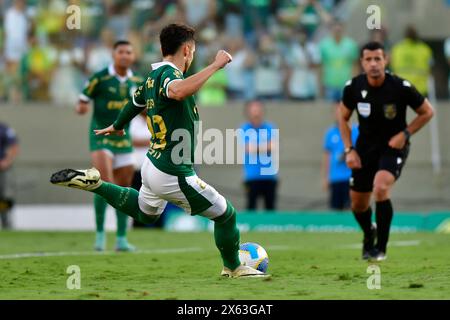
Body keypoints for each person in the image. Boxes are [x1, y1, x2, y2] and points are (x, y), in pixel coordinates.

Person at [51, 23, 268, 278]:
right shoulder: (169, 76)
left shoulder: (152, 77)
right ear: (186, 50)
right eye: (194, 52)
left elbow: (134, 102)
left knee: (145, 212)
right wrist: (215, 65)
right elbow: (177, 91)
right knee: (226, 214)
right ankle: (233, 267)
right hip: (173, 171)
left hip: (152, 164)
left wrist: (118, 125)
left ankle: (96, 184)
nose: (193, 57)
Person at [338, 42, 434, 261]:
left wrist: (406, 134)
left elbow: (427, 112)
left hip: (393, 147)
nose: (373, 64)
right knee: (358, 204)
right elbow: (342, 117)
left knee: (380, 187)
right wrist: (349, 150)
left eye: (377, 59)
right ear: (362, 62)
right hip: (364, 149)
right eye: (369, 59)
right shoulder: (353, 87)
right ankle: (369, 232)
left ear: (386, 60)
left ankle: (380, 248)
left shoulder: (400, 87)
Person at [76, 40, 144, 252]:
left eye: (128, 52)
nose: (125, 55)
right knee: (104, 182)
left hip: (123, 139)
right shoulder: (100, 78)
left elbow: (143, 109)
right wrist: (81, 107)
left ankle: (121, 239)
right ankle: (99, 236)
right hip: (100, 136)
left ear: (133, 56)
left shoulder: (137, 81)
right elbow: (83, 99)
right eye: (121, 52)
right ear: (113, 55)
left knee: (123, 188)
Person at [240, 100, 278, 210]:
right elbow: (247, 149)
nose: (256, 113)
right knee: (251, 206)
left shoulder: (270, 127)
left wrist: (256, 147)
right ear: (248, 112)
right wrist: (264, 147)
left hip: (269, 176)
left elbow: (273, 146)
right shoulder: (244, 128)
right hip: (252, 176)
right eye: (253, 110)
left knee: (270, 207)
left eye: (258, 109)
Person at [322, 105, 358, 210]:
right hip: (336, 178)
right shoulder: (330, 133)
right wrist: (326, 177)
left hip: (352, 177)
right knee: (335, 208)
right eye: (337, 112)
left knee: (353, 207)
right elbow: (327, 157)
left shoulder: (356, 131)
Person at [319, 19, 359, 105]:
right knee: (329, 112)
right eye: (335, 28)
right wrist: (321, 85)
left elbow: (355, 65)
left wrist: (355, 84)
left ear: (343, 29)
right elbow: (321, 66)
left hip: (346, 84)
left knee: (346, 111)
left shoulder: (351, 45)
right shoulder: (324, 45)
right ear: (331, 29)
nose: (337, 31)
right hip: (329, 84)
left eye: (339, 29)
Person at [391, 26, 433, 97]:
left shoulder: (397, 49)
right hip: (420, 90)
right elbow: (430, 67)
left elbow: (392, 68)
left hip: (401, 88)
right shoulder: (425, 49)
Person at [0, 122, 19, 229]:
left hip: (2, 170)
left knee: (3, 196)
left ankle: (6, 223)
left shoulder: (4, 129)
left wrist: (7, 161)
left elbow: (14, 146)